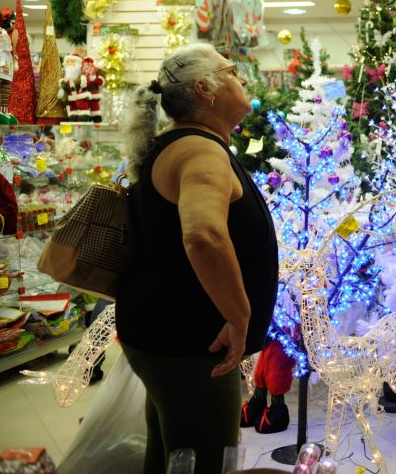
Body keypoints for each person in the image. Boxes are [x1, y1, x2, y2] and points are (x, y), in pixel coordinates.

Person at [115, 43, 279, 474]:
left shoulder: (185, 144)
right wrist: (239, 315)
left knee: (174, 455)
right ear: (206, 89)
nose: (242, 79)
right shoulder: (200, 150)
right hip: (192, 343)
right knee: (203, 459)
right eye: (232, 72)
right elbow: (203, 236)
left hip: (171, 335)